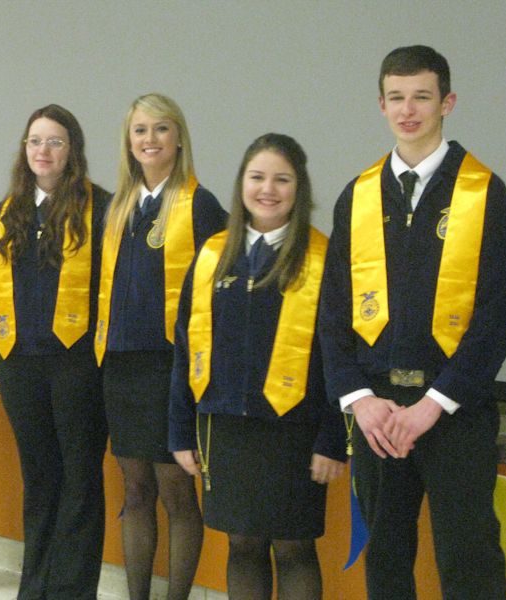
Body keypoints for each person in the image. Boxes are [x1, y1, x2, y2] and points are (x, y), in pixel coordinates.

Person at [318, 45, 506, 599]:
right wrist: (359, 398)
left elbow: (496, 316)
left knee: (468, 553)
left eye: (422, 96)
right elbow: (334, 311)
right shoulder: (358, 195)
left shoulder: (484, 192)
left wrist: (433, 405)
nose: (409, 109)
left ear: (446, 102)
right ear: (381, 104)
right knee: (386, 553)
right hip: (377, 411)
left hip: (454, 409)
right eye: (396, 97)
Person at [169, 133, 346, 599]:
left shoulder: (323, 258)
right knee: (241, 545)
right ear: (241, 184)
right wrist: (181, 431)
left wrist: (334, 438)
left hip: (296, 430)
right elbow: (185, 349)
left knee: (294, 548)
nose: (268, 189)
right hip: (225, 429)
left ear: (299, 188)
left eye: (282, 179)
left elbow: (340, 359)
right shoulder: (212, 255)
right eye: (257, 177)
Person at [95, 93, 227, 600]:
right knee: (135, 491)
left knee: (176, 493)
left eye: (160, 130)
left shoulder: (200, 204)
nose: (149, 140)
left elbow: (215, 297)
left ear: (178, 138)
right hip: (122, 369)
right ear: (128, 142)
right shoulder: (118, 207)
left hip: (172, 371)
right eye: (139, 131)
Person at [0, 104, 111, 599]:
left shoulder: (101, 207)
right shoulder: (7, 211)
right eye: (35, 141)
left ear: (72, 150)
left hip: (78, 363)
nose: (43, 151)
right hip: (20, 365)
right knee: (39, 478)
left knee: (80, 478)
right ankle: (34, 584)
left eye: (55, 141)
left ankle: (71, 590)